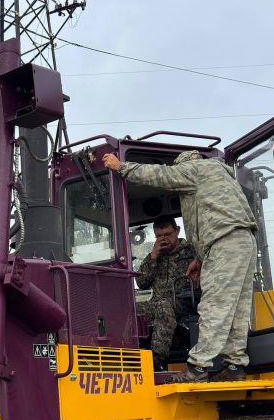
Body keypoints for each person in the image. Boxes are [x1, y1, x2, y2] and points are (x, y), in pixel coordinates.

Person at [103, 150, 257, 383]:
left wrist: (121, 167)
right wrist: (201, 258)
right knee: (236, 308)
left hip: (223, 242)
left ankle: (198, 368)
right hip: (243, 240)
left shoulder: (196, 169)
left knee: (214, 305)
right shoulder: (222, 177)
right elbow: (142, 280)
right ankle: (235, 366)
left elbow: (160, 175)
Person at [136, 217, 196, 370]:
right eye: (159, 236)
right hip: (156, 302)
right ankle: (130, 355)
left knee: (164, 306)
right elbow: (141, 282)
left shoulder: (192, 252)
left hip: (184, 302)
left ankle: (157, 359)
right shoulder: (155, 255)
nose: (163, 239)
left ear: (177, 230)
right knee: (131, 309)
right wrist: (153, 256)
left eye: (167, 234)